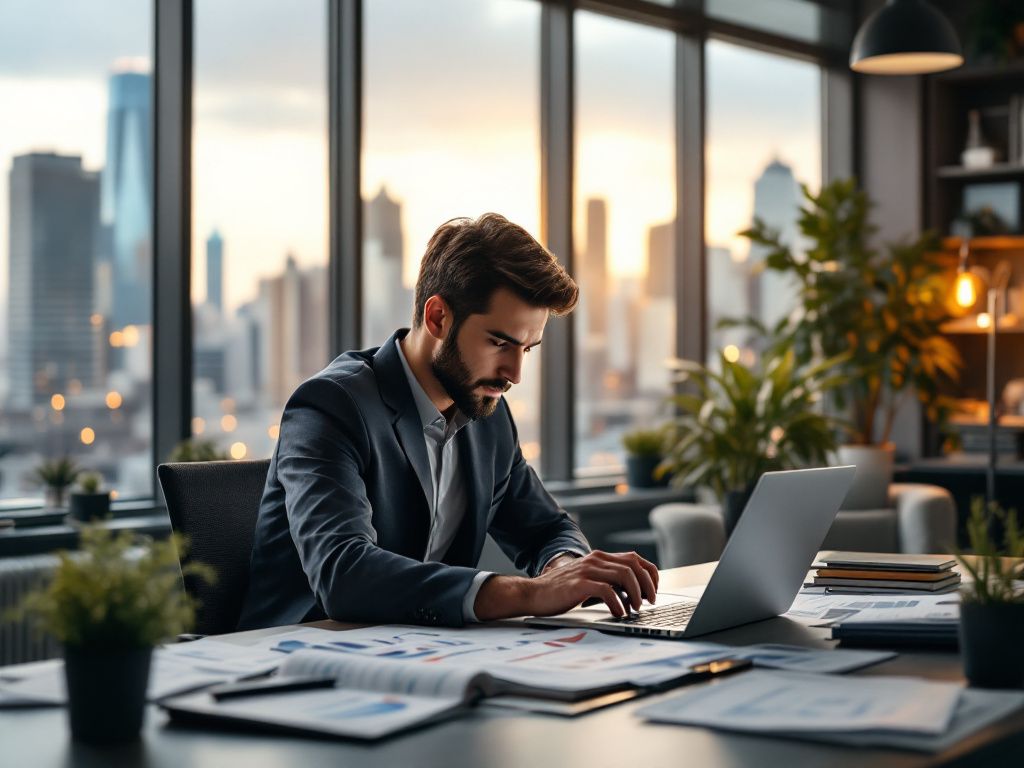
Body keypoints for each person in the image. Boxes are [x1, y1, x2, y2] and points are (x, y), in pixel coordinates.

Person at [238, 213, 658, 630]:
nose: (514, 374)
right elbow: (343, 574)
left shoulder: (485, 413)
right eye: (499, 343)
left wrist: (565, 569)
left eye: (527, 349)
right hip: (298, 661)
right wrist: (532, 593)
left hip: (422, 657)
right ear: (438, 317)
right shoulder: (331, 406)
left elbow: (545, 529)